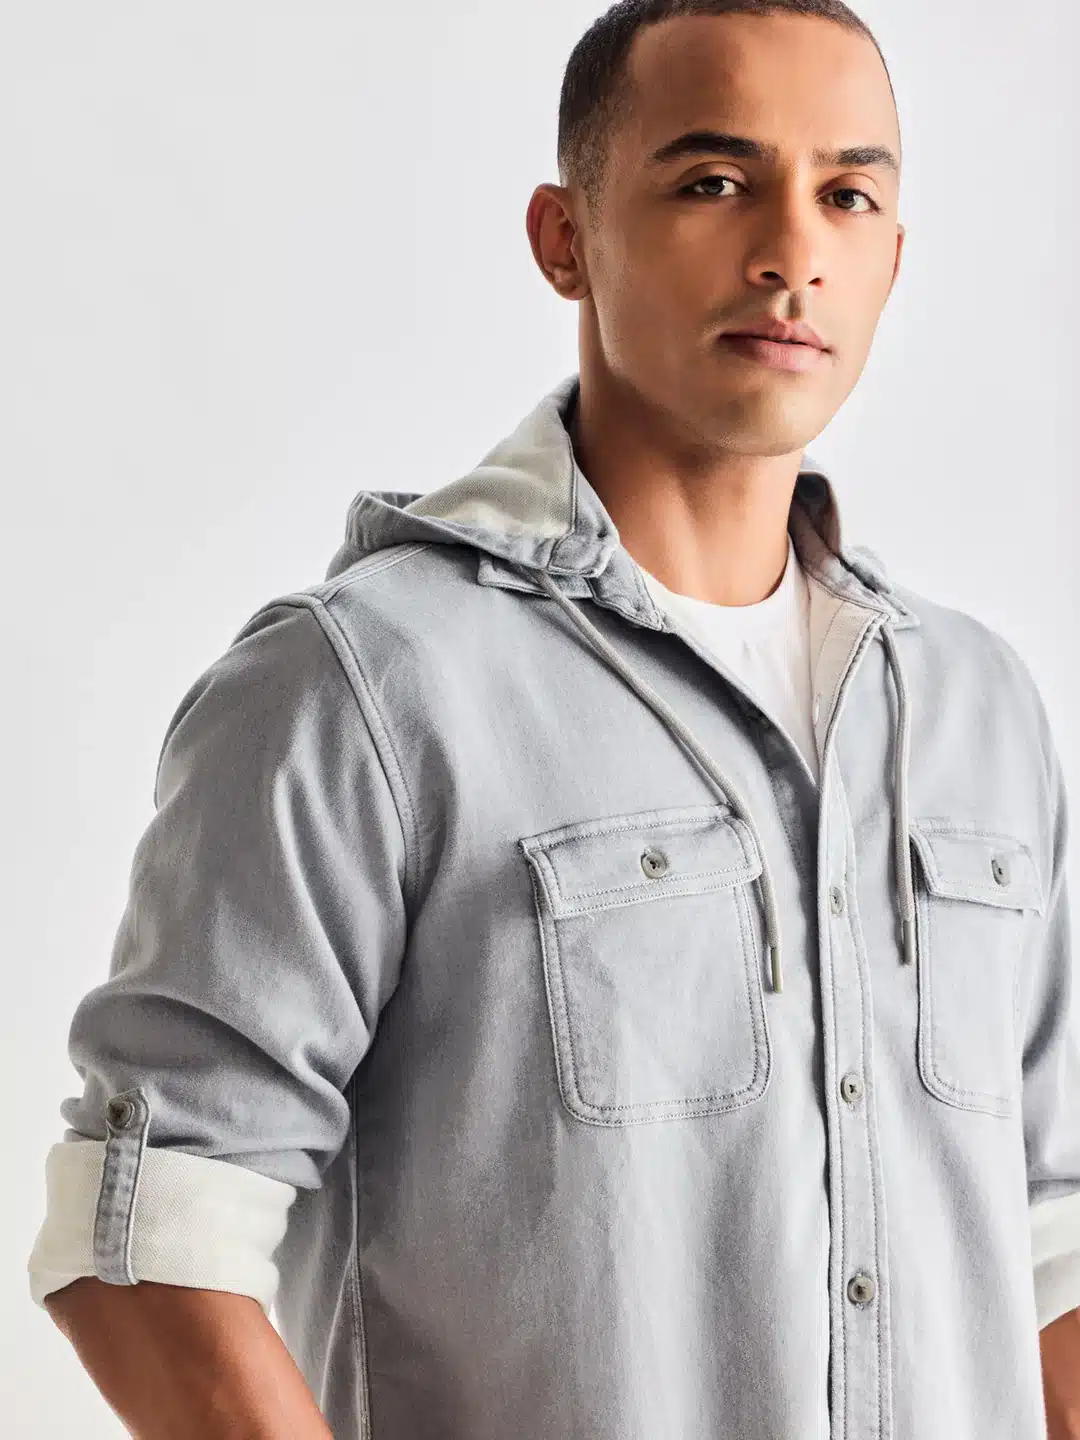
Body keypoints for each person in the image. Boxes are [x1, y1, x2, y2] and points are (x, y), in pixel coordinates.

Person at [29, 1, 1080, 1436]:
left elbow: (1049, 1237)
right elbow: (148, 1236)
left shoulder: (975, 708)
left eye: (847, 195)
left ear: (894, 255)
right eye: (715, 181)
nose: (792, 252)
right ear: (565, 236)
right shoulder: (366, 685)